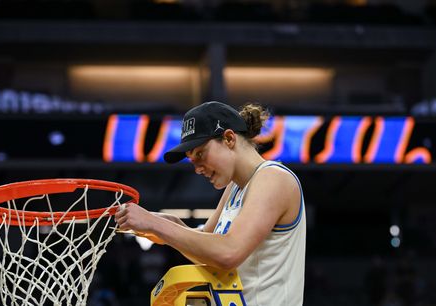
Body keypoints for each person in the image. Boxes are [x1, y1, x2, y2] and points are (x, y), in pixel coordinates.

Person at [115, 101, 306, 306]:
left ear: (229, 138)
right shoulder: (235, 187)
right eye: (192, 160)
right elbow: (207, 251)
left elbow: (228, 253)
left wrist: (157, 225)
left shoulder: (274, 178)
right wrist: (167, 224)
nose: (197, 168)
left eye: (200, 154)